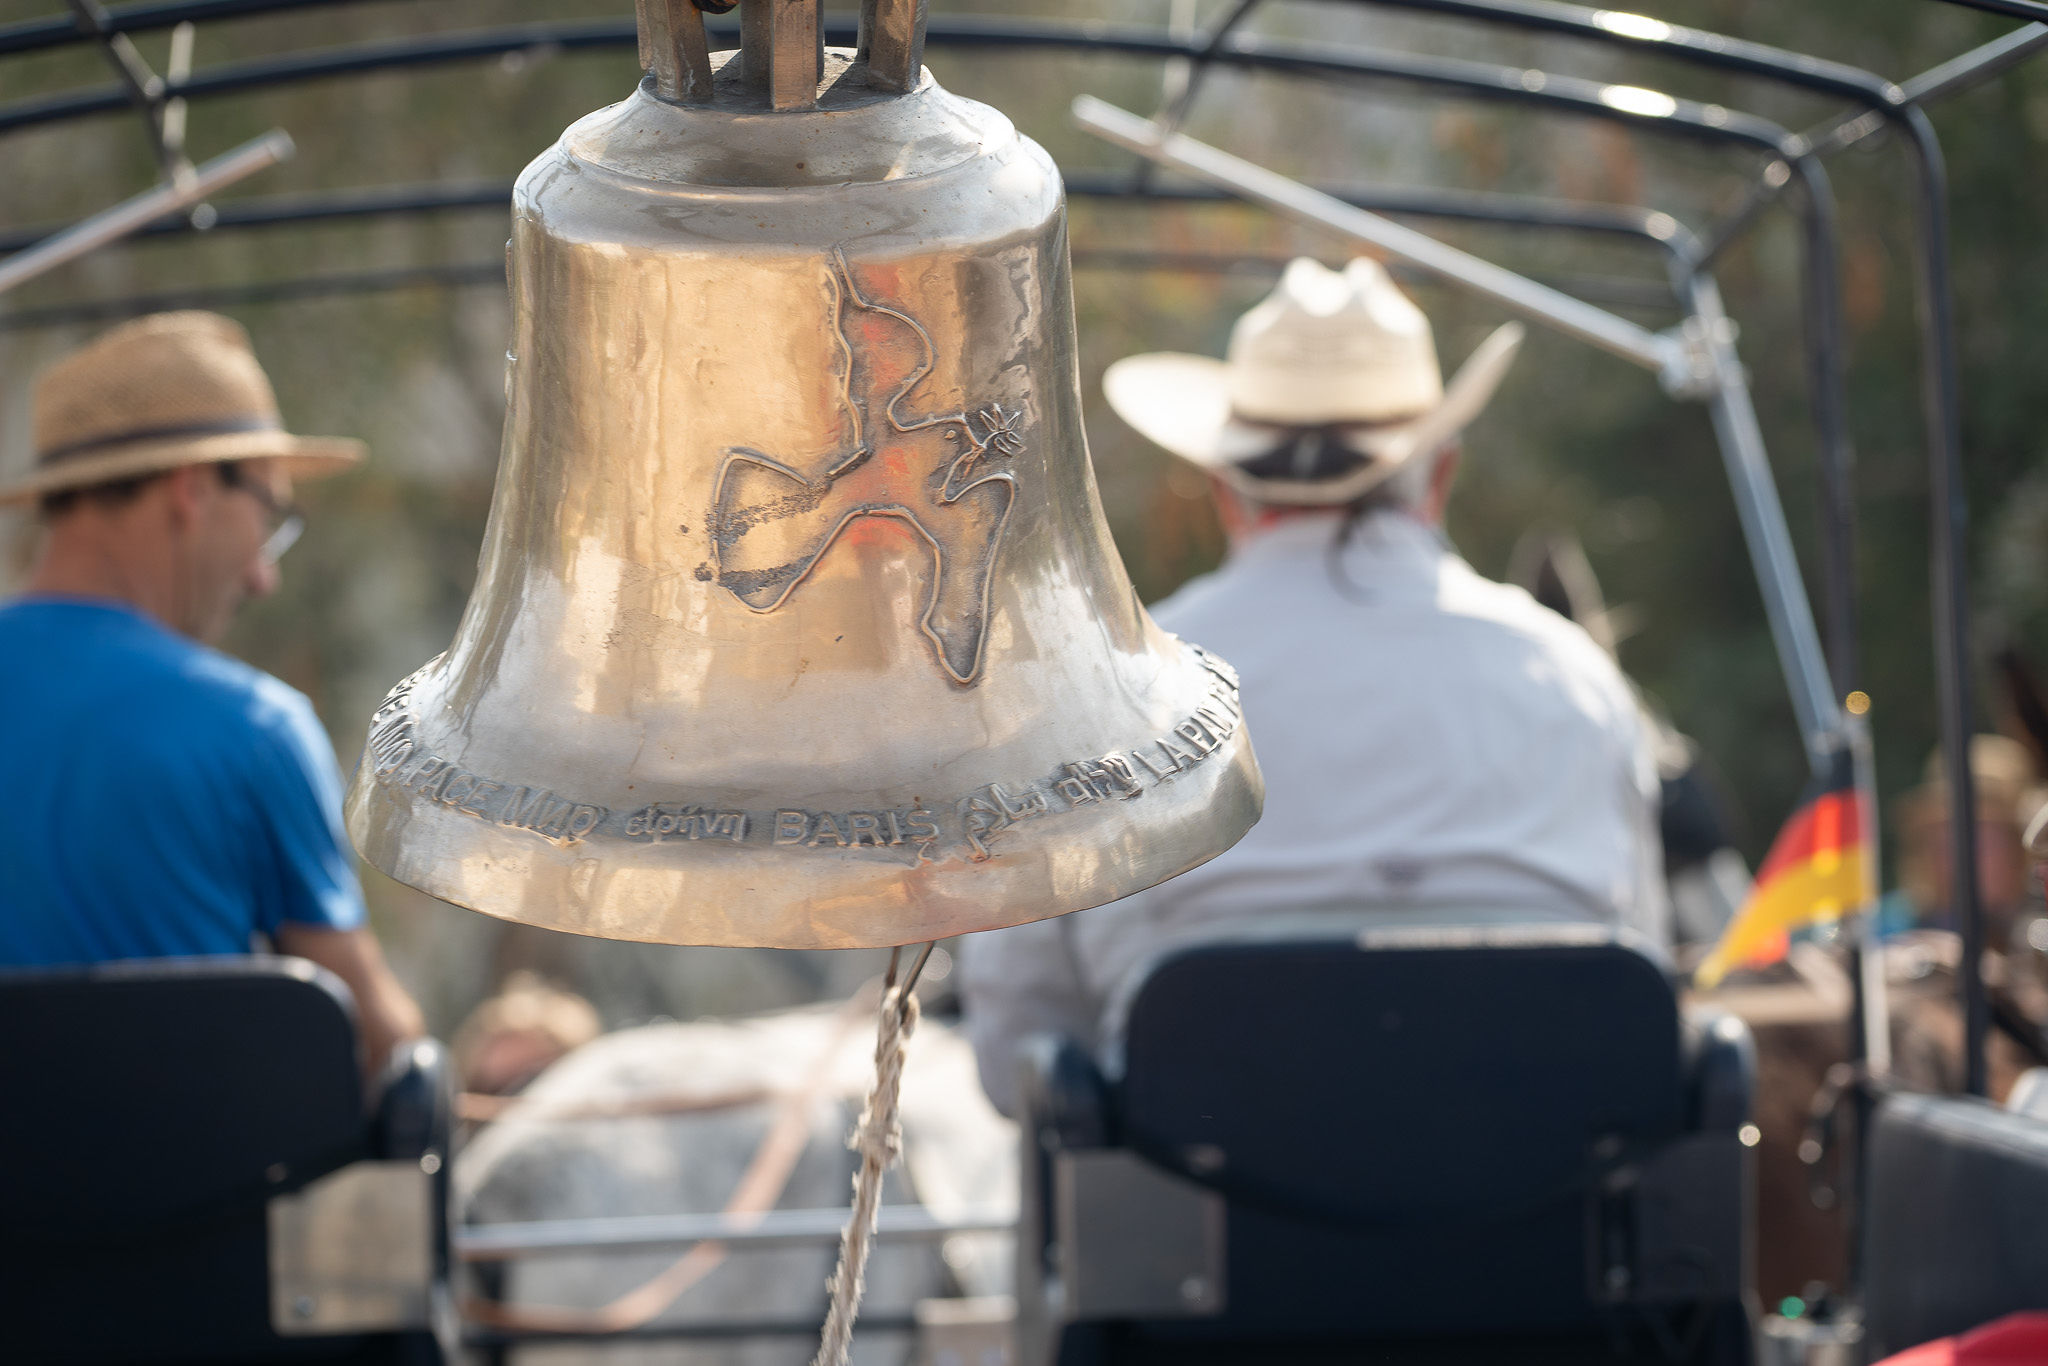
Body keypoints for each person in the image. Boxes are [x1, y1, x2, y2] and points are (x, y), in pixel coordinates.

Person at [959, 258, 1669, 1115]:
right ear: (1439, 478)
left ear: (1226, 489)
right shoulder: (1578, 680)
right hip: (1542, 1228)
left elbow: (1017, 1058)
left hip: (1197, 1223)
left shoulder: (1104, 690)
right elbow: (1645, 974)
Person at [0, 311, 423, 1074]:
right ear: (191, 490)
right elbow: (373, 1042)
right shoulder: (255, 729)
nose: (265, 576)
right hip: (188, 1195)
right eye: (270, 516)